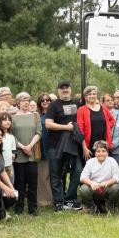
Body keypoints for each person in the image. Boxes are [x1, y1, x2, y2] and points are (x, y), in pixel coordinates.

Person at [45, 80, 83, 212]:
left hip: (73, 145)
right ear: (58, 90)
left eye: (67, 87)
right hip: (55, 145)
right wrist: (66, 127)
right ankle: (58, 202)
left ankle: (70, 200)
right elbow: (48, 124)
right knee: (56, 174)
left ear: (71, 89)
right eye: (62, 88)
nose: (65, 90)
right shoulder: (53, 105)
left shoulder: (77, 104)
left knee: (77, 171)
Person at [12, 92, 41, 215]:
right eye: (23, 100)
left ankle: (32, 207)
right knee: (20, 182)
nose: (26, 102)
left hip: (32, 153)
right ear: (18, 102)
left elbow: (39, 132)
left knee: (33, 182)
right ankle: (19, 207)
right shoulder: (12, 117)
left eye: (28, 100)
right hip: (19, 153)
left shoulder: (35, 116)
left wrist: (29, 146)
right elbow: (10, 135)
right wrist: (22, 147)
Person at [78, 141, 119, 214]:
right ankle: (91, 206)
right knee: (84, 188)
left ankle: (110, 206)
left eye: (103, 151)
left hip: (107, 187)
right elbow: (82, 177)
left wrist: (106, 182)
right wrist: (91, 183)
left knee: (115, 188)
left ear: (107, 153)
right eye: (98, 151)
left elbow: (117, 177)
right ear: (95, 153)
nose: (101, 153)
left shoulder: (112, 161)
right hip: (94, 187)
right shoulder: (90, 162)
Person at [76, 85, 115, 151]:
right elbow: (80, 130)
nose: (92, 96)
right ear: (85, 97)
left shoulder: (103, 108)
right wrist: (84, 148)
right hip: (89, 146)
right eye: (89, 94)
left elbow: (112, 120)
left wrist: (107, 126)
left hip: (103, 144)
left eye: (94, 94)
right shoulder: (81, 110)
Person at [35, 93, 53, 209]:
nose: (45, 102)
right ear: (39, 103)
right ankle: (43, 200)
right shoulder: (37, 116)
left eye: (48, 100)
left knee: (55, 175)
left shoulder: (55, 114)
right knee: (43, 176)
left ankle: (55, 198)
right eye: (43, 100)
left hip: (55, 147)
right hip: (42, 147)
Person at [0, 111, 16, 180]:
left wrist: (13, 155)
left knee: (11, 185)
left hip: (9, 166)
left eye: (9, 120)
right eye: (4, 120)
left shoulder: (11, 137)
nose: (8, 122)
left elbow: (12, 151)